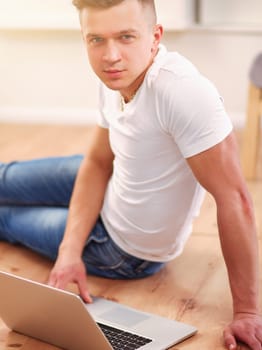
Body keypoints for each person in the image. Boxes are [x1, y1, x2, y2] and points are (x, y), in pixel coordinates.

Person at [0, 0, 261, 349]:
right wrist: (69, 250)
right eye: (96, 40)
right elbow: (96, 163)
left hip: (123, 248)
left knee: (5, 217)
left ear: (155, 37)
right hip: (114, 181)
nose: (111, 55)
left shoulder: (182, 92)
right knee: (4, 178)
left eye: (125, 37)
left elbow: (235, 200)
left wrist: (247, 312)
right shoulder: (114, 76)